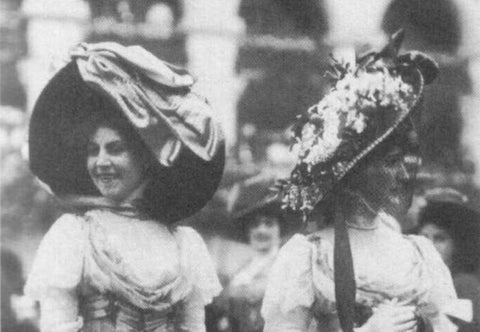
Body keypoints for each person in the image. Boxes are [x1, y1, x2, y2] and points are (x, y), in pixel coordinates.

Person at [261, 31, 465, 332]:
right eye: (389, 163)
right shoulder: (308, 257)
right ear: (355, 171)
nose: (401, 174)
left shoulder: (418, 253)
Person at [24, 42, 225, 332]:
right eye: (94, 150)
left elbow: (193, 327)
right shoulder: (75, 237)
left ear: (146, 157)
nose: (101, 162)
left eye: (115, 149)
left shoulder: (182, 243)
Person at [213, 173, 287, 332]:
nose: (261, 230)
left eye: (269, 224)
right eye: (255, 225)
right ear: (248, 231)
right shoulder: (243, 269)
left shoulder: (286, 265)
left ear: (280, 229)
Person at [418, 191, 480, 331]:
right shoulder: (417, 280)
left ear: (457, 245)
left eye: (440, 239)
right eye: (424, 237)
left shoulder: (464, 285)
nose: (430, 245)